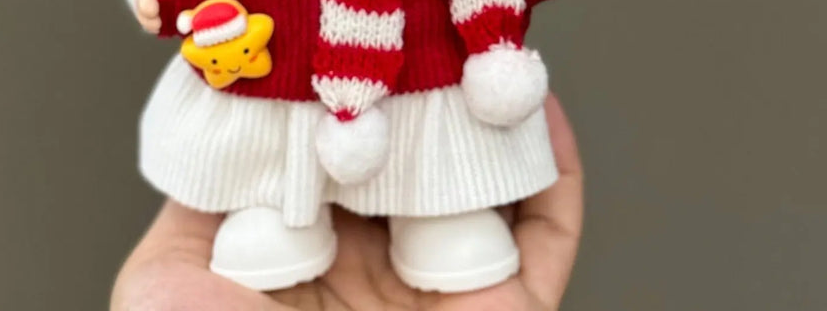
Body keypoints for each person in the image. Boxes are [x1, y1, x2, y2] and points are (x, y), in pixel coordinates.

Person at [111, 92, 582, 310]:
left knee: (431, 126)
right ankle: (275, 204)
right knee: (274, 122)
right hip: (285, 57)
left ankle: (440, 209)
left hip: (423, 59)